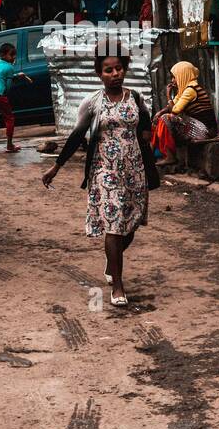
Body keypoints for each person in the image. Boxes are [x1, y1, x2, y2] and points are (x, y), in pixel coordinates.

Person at [41, 53, 157, 307]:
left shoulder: (136, 98)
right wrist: (56, 166)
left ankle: (111, 262)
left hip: (134, 172)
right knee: (114, 225)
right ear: (99, 73)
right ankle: (118, 285)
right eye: (108, 70)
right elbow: (76, 136)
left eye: (118, 69)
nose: (115, 74)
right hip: (105, 172)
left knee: (131, 224)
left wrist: (146, 135)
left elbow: (146, 120)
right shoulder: (92, 102)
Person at [152, 60, 217, 171]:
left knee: (167, 118)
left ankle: (170, 156)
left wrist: (168, 95)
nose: (173, 80)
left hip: (205, 130)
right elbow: (172, 105)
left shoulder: (191, 90)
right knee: (160, 118)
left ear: (183, 75)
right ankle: (154, 153)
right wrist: (159, 112)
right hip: (197, 126)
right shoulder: (185, 89)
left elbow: (175, 110)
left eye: (175, 77)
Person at [0, 41, 31, 153]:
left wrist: (17, 76)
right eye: (12, 54)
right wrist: (5, 96)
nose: (14, 57)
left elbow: (1, 77)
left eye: (14, 54)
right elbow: (7, 86)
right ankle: (9, 145)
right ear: (3, 55)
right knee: (9, 119)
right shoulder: (9, 67)